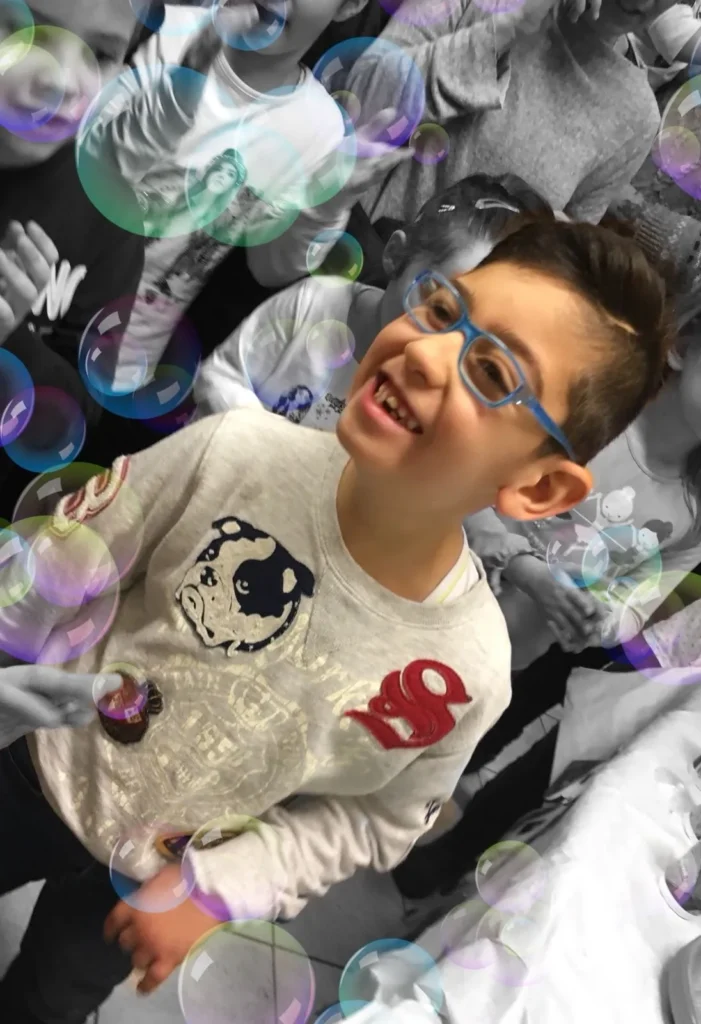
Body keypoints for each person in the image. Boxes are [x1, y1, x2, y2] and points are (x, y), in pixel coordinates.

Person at [0, 218, 675, 1020]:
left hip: (158, 871)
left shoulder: (462, 670)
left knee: (43, 1003)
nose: (426, 352)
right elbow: (55, 566)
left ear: (538, 488)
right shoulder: (234, 451)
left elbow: (372, 820)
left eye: (492, 372)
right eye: (440, 310)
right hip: (31, 759)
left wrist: (217, 885)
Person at [81, 0, 406, 400]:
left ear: (349, 5)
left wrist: (328, 202)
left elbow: (268, 268)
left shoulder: (320, 129)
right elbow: (84, 173)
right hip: (47, 290)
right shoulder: (167, 30)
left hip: (123, 362)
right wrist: (180, 88)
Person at [193, 173, 554, 426]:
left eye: (476, 339)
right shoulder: (317, 303)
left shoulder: (439, 399)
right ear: (396, 255)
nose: (440, 350)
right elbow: (219, 376)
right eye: (441, 308)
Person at [464, 332, 701, 672]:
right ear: (683, 346)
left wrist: (592, 619)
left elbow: (634, 608)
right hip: (420, 584)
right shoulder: (578, 405)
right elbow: (462, 475)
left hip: (490, 661)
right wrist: (522, 567)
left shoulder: (693, 520)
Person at [0, 0, 152, 518]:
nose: (61, 80)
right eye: (33, 33)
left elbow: (74, 420)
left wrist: (11, 340)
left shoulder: (109, 215)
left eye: (101, 54)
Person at [355, 0, 667, 226]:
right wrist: (511, 26)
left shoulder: (637, 117)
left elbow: (560, 255)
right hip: (351, 257)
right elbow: (360, 97)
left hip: (453, 297)